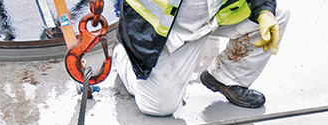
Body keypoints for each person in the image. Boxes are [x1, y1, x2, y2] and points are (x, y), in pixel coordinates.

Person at [113, 0, 287, 116]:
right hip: (168, 29)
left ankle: (227, 77)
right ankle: (123, 53)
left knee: (276, 15)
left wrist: (264, 11)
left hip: (218, 13)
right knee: (158, 106)